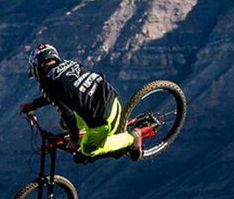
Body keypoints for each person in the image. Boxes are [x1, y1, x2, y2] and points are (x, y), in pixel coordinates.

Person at [19, 44, 152, 162]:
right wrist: (33, 105)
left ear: (39, 66)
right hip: (112, 101)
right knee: (65, 124)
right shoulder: (69, 64)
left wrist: (73, 140)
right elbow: (62, 93)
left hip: (103, 120)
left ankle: (131, 139)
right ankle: (94, 136)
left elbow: (67, 114)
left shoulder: (48, 85)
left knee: (86, 152)